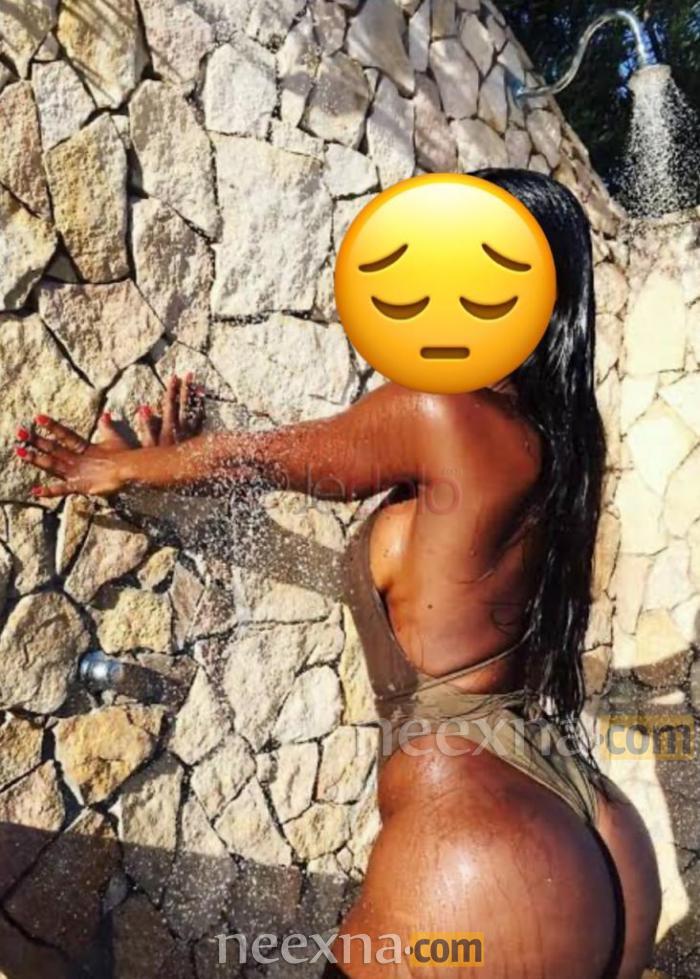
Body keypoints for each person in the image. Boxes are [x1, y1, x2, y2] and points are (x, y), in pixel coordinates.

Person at [16, 171, 660, 978]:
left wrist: (117, 467)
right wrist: (176, 468)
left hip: (483, 856)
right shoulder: (561, 440)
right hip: (599, 835)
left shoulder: (441, 408)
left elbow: (284, 459)